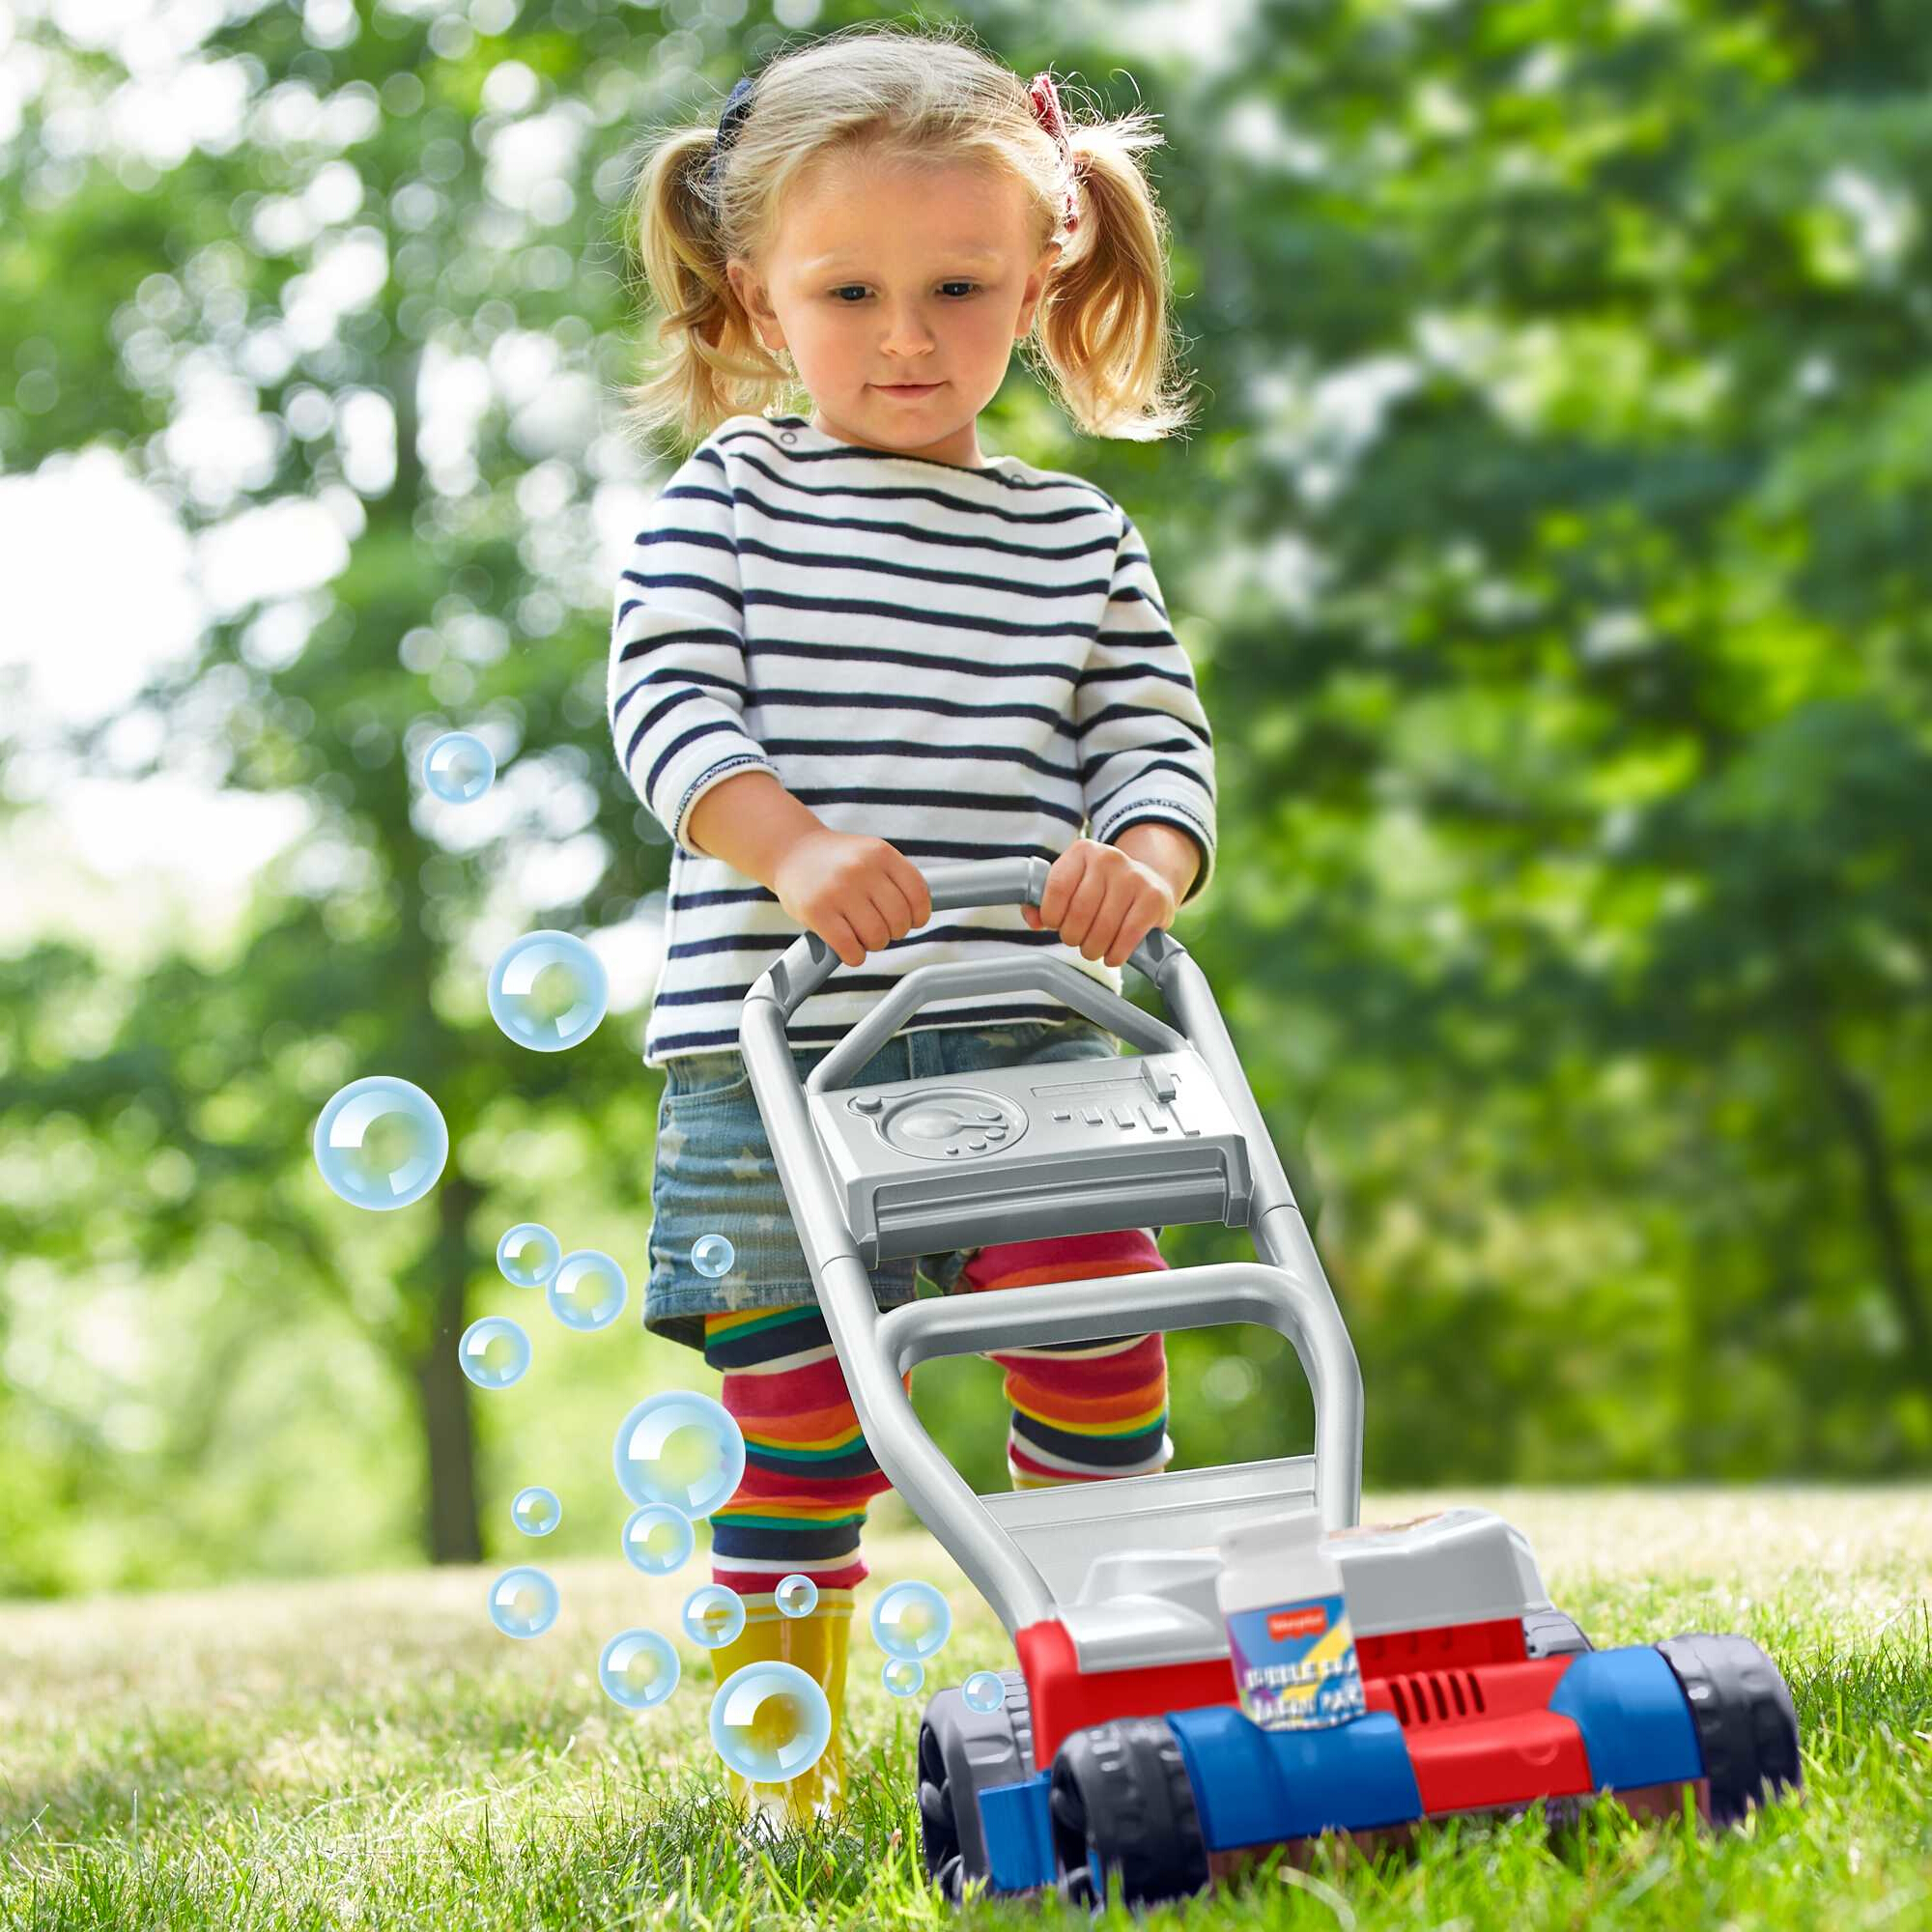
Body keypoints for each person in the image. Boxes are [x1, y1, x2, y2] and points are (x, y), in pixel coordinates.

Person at [608, 23, 1215, 1827]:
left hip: (1038, 1032)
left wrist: (1148, 857)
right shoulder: (727, 501)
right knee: (794, 1424)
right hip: (775, 1053)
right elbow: (667, 707)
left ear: (1043, 279)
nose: (904, 334)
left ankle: (1120, 1696)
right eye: (850, 288)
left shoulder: (1078, 539)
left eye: (958, 285)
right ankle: (778, 1783)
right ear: (755, 294)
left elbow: (1156, 741)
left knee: (1101, 1359)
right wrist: (785, 845)